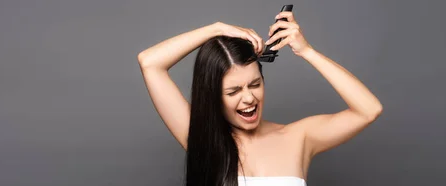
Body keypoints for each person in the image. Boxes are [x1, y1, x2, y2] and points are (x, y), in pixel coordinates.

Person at [137, 12, 382, 186]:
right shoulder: (201, 137)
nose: (248, 98)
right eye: (233, 92)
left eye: (255, 84)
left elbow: (369, 109)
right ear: (213, 96)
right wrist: (216, 29)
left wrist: (307, 52)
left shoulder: (299, 137)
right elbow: (150, 62)